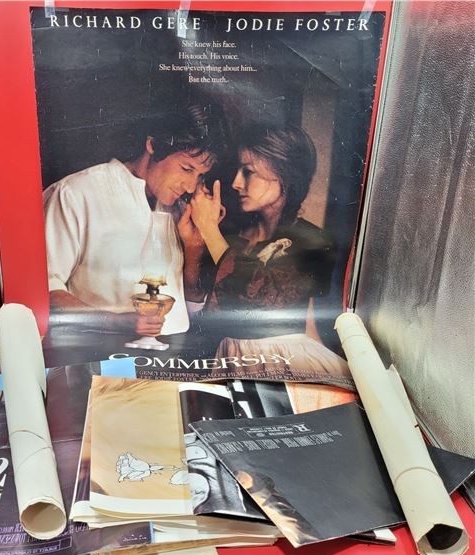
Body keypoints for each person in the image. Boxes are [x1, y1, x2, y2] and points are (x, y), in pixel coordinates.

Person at [43, 103, 228, 338]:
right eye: (186, 168)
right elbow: (44, 290)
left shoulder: (181, 211)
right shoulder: (77, 193)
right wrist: (114, 322)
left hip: (174, 351)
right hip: (99, 350)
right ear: (152, 145)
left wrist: (194, 248)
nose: (191, 186)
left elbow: (191, 310)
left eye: (200, 176)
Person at [188, 123, 351, 379]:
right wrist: (192, 242)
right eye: (238, 171)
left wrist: (208, 228)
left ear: (284, 175)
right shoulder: (234, 237)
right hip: (228, 359)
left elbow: (256, 297)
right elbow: (201, 310)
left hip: (281, 364)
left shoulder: (312, 239)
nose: (236, 183)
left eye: (248, 172)